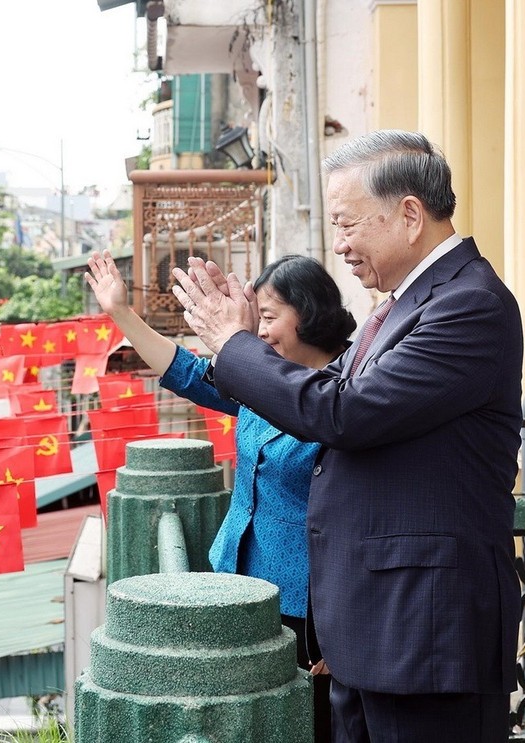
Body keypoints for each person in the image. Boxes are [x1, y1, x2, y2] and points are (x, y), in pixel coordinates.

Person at [172, 129, 523, 743]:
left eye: (347, 225)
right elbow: (310, 396)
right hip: (376, 630)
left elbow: (342, 414)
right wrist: (245, 342)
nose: (339, 247)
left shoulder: (469, 305)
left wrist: (233, 345)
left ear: (409, 215)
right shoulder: (396, 307)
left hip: (425, 636)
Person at [86, 250, 356, 742]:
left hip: (306, 607)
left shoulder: (344, 397)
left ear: (309, 316)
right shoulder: (263, 376)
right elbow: (187, 373)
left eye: (268, 317)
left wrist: (344, 632)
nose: (260, 332)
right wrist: (120, 313)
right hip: (235, 581)